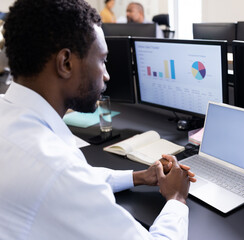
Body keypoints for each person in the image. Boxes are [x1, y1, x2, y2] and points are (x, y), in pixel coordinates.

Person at [0, 0, 195, 239]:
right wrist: (177, 199)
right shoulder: (58, 169)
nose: (106, 74)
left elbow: (79, 179)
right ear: (66, 63)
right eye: (102, 60)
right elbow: (68, 180)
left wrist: (139, 177)